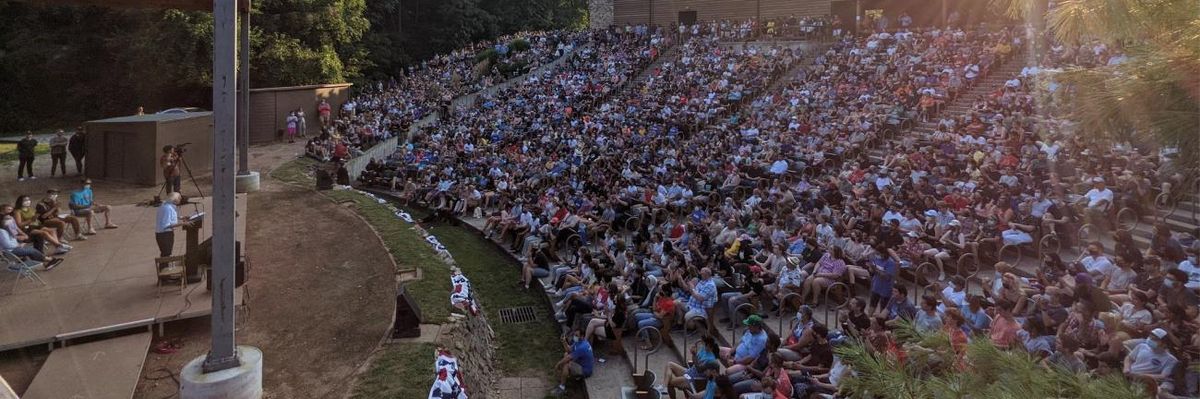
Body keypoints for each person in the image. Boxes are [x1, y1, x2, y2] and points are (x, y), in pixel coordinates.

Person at [1123, 328, 1178, 395]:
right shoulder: (1142, 346)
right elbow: (1129, 358)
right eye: (1150, 337)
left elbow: (1162, 376)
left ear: (1164, 344)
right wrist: (1126, 367)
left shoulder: (1170, 360)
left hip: (1145, 383)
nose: (1150, 340)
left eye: (1154, 339)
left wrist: (1141, 376)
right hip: (1128, 376)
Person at [551, 329, 594, 396]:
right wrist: (564, 341)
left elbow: (568, 358)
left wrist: (558, 364)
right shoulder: (579, 341)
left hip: (585, 370)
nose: (574, 336)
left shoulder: (582, 347)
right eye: (574, 334)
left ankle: (562, 388)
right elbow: (569, 350)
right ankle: (566, 375)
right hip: (581, 364)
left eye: (576, 335)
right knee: (566, 354)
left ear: (582, 336)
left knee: (567, 365)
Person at [155, 192, 192, 257]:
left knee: (166, 254)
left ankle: (164, 266)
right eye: (179, 198)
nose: (180, 200)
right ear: (175, 199)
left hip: (162, 234)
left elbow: (170, 217)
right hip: (165, 235)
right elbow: (166, 225)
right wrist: (183, 223)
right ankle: (164, 267)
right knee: (166, 254)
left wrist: (181, 217)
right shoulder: (167, 208)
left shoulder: (165, 205)